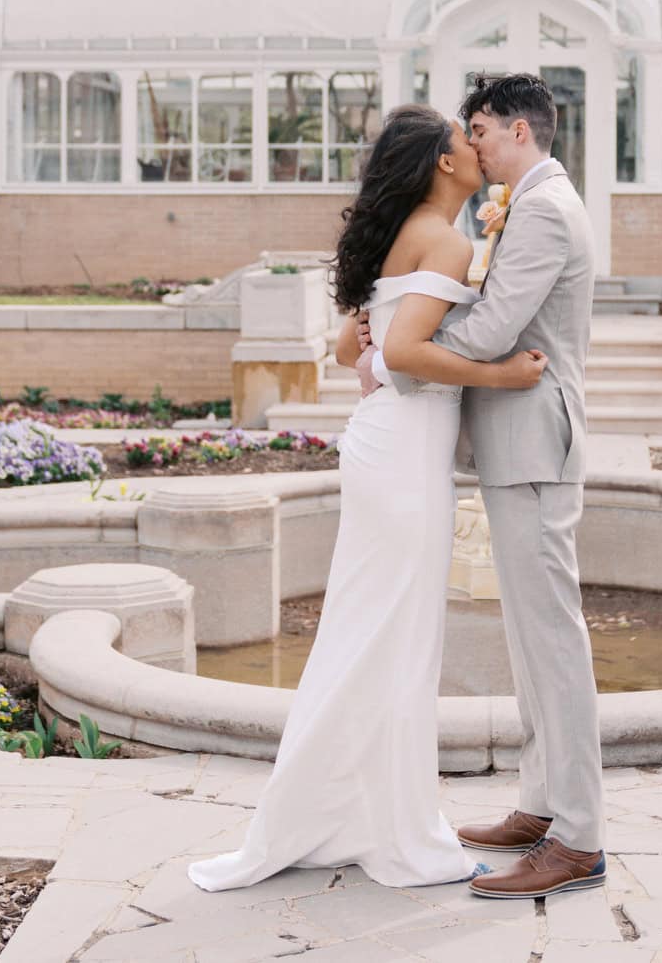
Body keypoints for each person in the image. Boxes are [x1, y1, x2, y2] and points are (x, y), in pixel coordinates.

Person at [187, 105, 547, 892]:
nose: (476, 146)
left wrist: (384, 352)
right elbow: (408, 350)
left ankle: (352, 815)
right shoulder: (446, 240)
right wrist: (504, 375)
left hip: (385, 444)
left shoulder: (400, 237)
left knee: (374, 633)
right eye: (465, 140)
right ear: (444, 165)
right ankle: (389, 830)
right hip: (404, 453)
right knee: (395, 638)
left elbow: (353, 345)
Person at [357, 73, 606, 900]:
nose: (472, 144)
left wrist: (402, 336)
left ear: (518, 133)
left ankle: (577, 838)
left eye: (481, 130)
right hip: (517, 443)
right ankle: (542, 807)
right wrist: (407, 322)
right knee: (532, 641)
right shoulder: (529, 201)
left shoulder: (540, 207)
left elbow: (497, 328)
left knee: (553, 639)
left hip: (535, 441)